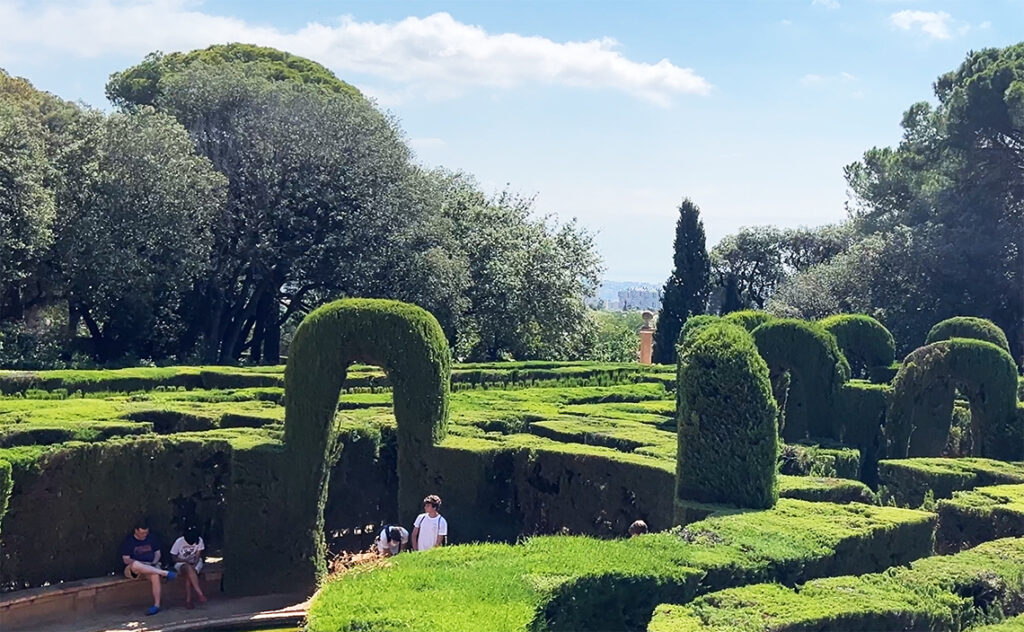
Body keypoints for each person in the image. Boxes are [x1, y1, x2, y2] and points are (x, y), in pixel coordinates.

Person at [120, 518, 176, 616]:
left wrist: (153, 563)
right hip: (134, 569)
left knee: (154, 575)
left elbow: (157, 553)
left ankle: (156, 605)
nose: (144, 535)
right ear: (136, 531)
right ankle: (164, 573)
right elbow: (126, 559)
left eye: (146, 533)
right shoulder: (129, 541)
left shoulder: (152, 538)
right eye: (141, 533)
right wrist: (142, 564)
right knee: (136, 564)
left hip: (151, 566)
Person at [170, 526, 207, 609]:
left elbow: (198, 556)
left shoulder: (199, 540)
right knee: (188, 568)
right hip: (181, 562)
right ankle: (199, 593)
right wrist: (185, 561)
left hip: (195, 562)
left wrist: (194, 564)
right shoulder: (179, 541)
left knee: (189, 575)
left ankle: (188, 600)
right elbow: (173, 558)